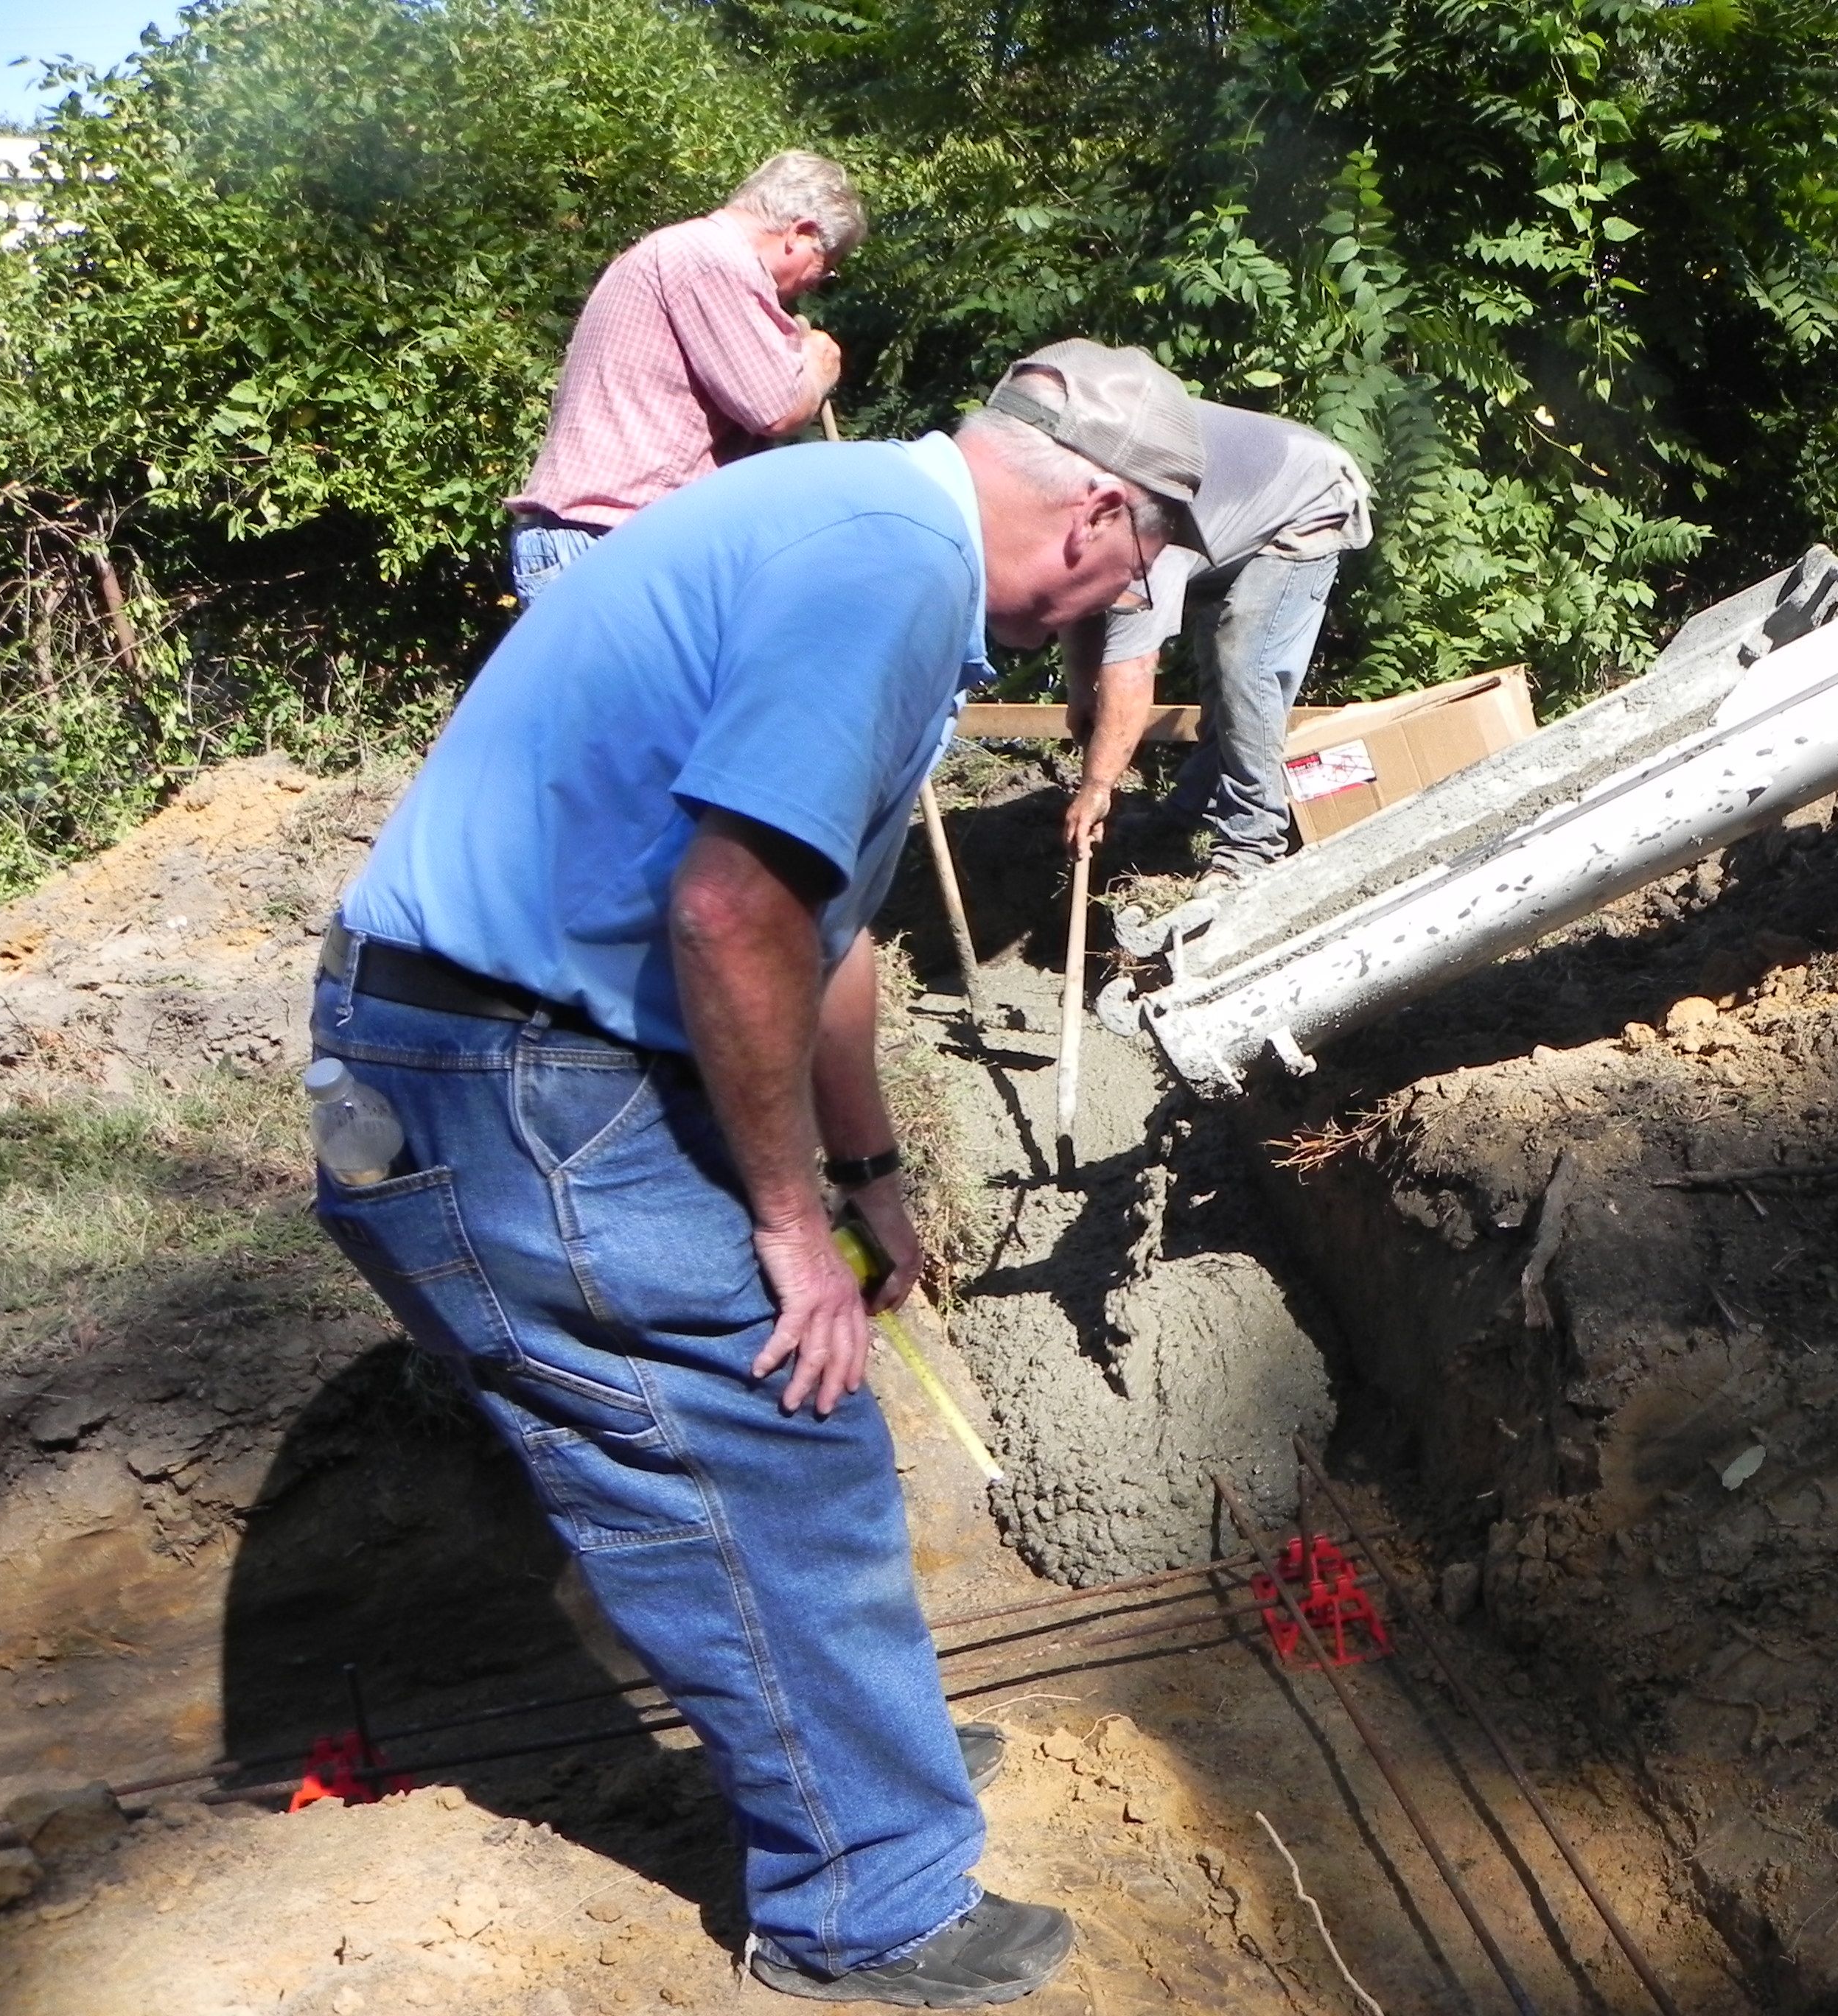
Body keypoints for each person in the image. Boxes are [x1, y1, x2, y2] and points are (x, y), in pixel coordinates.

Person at [311, 340, 1203, 2005]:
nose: (1117, 612)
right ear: (1096, 512)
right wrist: (788, 1227)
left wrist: (865, 1176)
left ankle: (857, 1750)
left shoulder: (870, 535)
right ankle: (866, 1902)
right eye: (1137, 571)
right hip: (509, 1074)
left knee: (789, 1424)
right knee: (756, 1444)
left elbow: (823, 927)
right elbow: (732, 912)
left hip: (534, 1056)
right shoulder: (888, 566)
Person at [505, 150, 867, 605]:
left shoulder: (681, 253)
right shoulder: (713, 260)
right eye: (826, 263)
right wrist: (817, 367)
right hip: (610, 542)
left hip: (599, 540)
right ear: (801, 233)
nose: (821, 279)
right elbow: (777, 407)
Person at [1058, 400, 1371, 878]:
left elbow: (1133, 670)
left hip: (1306, 500)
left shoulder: (1141, 538)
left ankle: (1253, 843)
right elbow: (1078, 601)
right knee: (1220, 674)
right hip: (1234, 511)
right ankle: (1195, 806)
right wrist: (1081, 691)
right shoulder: (1068, 508)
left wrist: (1098, 786)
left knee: (1244, 666)